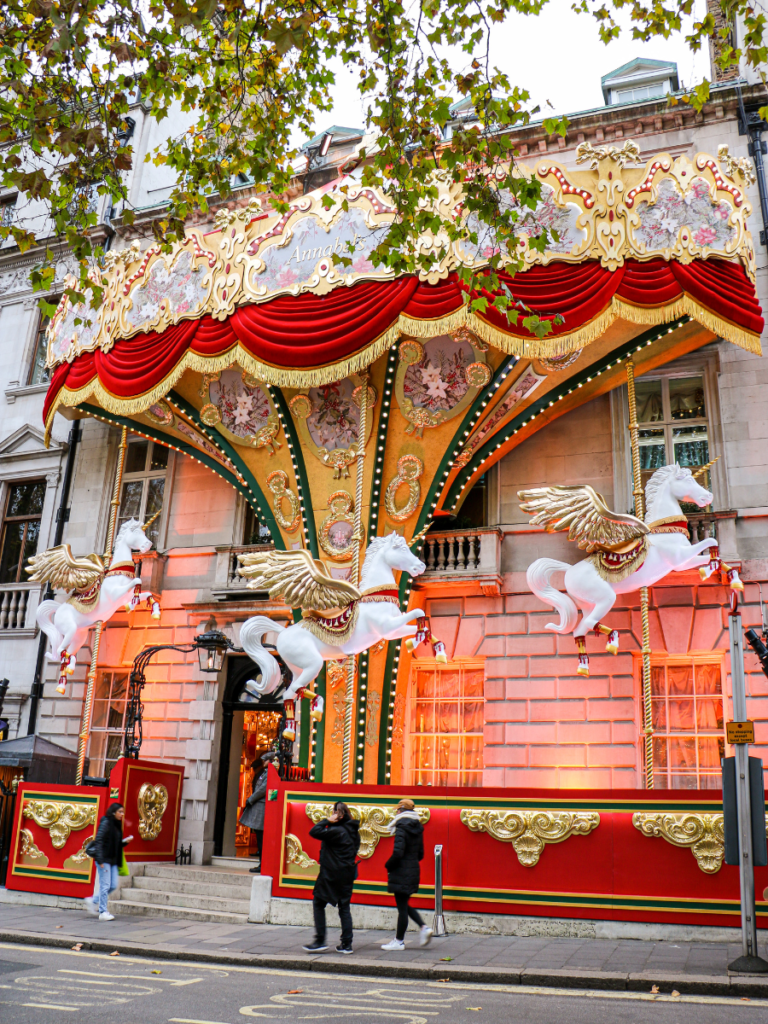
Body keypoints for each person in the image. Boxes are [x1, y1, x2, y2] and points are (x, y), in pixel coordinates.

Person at [302, 801, 360, 955]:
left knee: (318, 902)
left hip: (331, 873)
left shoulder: (336, 830)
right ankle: (347, 944)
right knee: (344, 907)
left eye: (333, 812)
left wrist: (327, 821)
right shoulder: (354, 831)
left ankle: (320, 940)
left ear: (337, 814)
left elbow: (314, 831)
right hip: (347, 873)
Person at [381, 799, 432, 950]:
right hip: (413, 869)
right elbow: (421, 853)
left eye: (397, 810)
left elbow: (398, 852)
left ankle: (399, 941)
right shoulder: (417, 827)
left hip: (401, 870)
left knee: (402, 907)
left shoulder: (402, 827)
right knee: (404, 904)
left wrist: (388, 865)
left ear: (401, 811)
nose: (396, 812)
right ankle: (423, 928)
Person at [84, 802, 133, 921]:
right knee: (105, 885)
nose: (122, 814)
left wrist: (124, 842)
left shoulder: (116, 824)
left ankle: (93, 900)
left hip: (112, 860)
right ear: (113, 812)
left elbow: (114, 843)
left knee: (113, 885)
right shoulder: (106, 822)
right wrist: (100, 860)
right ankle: (103, 912)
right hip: (104, 859)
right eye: (120, 812)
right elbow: (99, 841)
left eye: (122, 811)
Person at [239, 751, 277, 873]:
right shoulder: (265, 773)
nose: (263, 763)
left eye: (265, 760)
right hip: (258, 807)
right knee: (260, 838)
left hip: (262, 808)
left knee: (262, 839)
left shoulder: (270, 773)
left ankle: (263, 864)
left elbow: (262, 789)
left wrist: (250, 799)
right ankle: (261, 863)